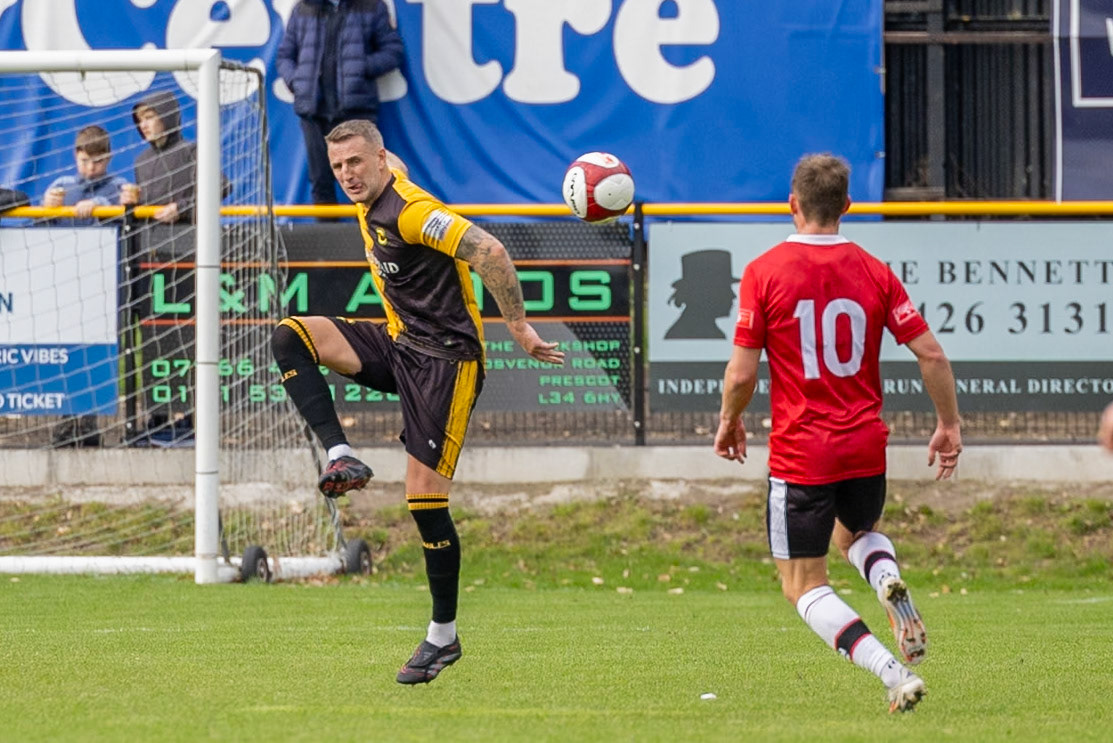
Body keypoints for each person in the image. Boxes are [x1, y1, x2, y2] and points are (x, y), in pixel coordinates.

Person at [270, 119, 565, 684]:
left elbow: (489, 250)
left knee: (424, 501)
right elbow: (389, 164)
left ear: (379, 160)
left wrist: (521, 328)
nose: (347, 175)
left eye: (356, 163)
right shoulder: (382, 174)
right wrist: (372, 156)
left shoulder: (409, 211)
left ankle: (443, 638)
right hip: (400, 339)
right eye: (337, 167)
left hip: (446, 362)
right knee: (291, 335)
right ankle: (340, 454)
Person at [713, 153, 962, 714]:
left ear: (792, 204)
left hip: (803, 451)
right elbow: (931, 353)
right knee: (856, 536)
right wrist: (948, 424)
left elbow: (742, 372)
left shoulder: (764, 271)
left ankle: (892, 672)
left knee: (802, 584)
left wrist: (730, 421)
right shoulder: (874, 269)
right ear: (848, 206)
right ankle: (888, 577)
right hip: (864, 444)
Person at [277, 0, 405, 209]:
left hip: (357, 110)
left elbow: (393, 51)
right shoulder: (303, 8)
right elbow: (285, 56)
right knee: (320, 181)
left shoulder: (371, 6)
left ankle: (373, 238)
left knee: (367, 180)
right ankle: (323, 240)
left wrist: (361, 68)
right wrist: (297, 81)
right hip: (314, 112)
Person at [42, 125, 129, 224]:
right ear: (75, 155)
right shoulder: (61, 185)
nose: (91, 167)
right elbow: (40, 226)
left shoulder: (120, 187)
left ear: (108, 158)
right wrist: (45, 207)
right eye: (84, 160)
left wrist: (99, 204)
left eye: (98, 161)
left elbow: (128, 223)